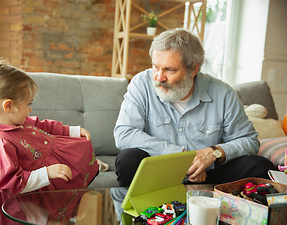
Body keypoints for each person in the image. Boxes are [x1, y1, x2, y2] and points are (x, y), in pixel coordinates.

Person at [114, 28, 276, 187]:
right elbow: (124, 133)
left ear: (193, 69)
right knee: (127, 159)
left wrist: (214, 153)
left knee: (260, 166)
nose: (159, 77)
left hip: (210, 173)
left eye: (170, 69)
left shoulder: (223, 93)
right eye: (156, 66)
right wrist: (181, 157)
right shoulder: (141, 83)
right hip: (159, 172)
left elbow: (249, 141)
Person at [0, 61, 99, 225]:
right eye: (28, 104)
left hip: (40, 186)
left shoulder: (20, 121)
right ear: (8, 106)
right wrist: (47, 173)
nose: (30, 109)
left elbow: (44, 125)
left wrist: (71, 130)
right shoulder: (1, 142)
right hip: (25, 202)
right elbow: (11, 182)